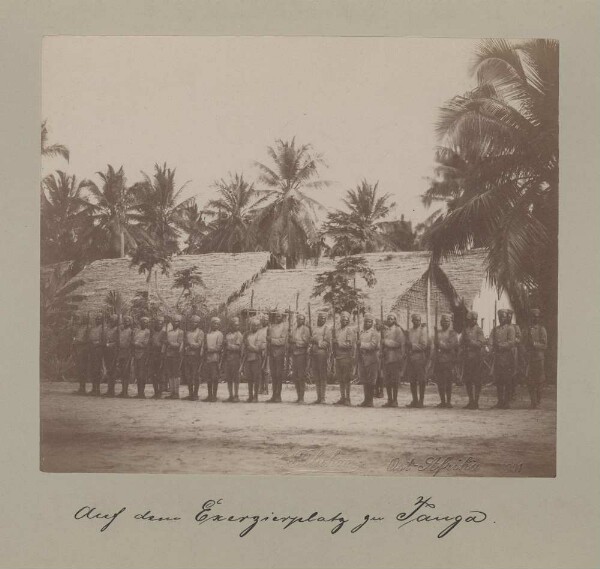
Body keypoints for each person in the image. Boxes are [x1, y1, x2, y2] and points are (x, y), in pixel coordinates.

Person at [490, 309, 516, 409]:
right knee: (499, 380)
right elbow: (491, 340)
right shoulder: (495, 329)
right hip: (497, 358)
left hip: (507, 357)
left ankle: (506, 402)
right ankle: (500, 401)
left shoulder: (510, 329)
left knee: (507, 380)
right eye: (500, 317)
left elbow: (511, 342)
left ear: (506, 318)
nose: (502, 319)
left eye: (504, 317)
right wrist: (491, 347)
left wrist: (500, 346)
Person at [460, 311, 486, 409]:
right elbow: (461, 342)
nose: (473, 321)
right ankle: (471, 401)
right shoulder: (465, 330)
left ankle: (476, 401)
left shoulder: (479, 330)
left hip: (476, 358)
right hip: (467, 358)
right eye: (471, 319)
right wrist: (462, 348)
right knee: (468, 380)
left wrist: (470, 342)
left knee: (477, 380)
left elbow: (480, 343)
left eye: (475, 319)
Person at [406, 314, 432, 408]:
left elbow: (423, 345)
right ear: (412, 321)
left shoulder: (423, 331)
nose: (417, 322)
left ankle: (421, 401)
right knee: (412, 380)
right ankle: (414, 400)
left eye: (418, 320)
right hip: (411, 359)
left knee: (421, 380)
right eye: (415, 320)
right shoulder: (409, 331)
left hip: (420, 358)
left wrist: (411, 345)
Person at [433, 314, 459, 408]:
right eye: (444, 321)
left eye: (448, 321)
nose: (446, 323)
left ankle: (448, 401)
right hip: (439, 361)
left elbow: (450, 346)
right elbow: (434, 346)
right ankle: (442, 401)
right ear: (441, 322)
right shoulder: (438, 333)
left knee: (448, 382)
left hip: (449, 361)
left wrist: (440, 344)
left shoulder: (453, 333)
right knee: (440, 382)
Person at [525, 308, 547, 409]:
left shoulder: (541, 329)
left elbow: (544, 345)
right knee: (530, 380)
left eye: (536, 317)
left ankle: (538, 399)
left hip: (538, 358)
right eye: (533, 317)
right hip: (529, 358)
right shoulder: (527, 329)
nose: (535, 319)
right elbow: (522, 342)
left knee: (539, 381)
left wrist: (534, 344)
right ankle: (533, 401)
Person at [381, 313, 405, 407]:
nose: (389, 320)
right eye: (388, 319)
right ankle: (389, 399)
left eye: (391, 319)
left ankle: (395, 400)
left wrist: (386, 342)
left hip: (395, 358)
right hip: (386, 358)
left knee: (394, 381)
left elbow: (398, 344)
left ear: (395, 320)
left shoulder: (398, 330)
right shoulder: (386, 330)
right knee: (387, 380)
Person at [358, 313, 380, 407]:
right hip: (362, 358)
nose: (367, 323)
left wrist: (361, 344)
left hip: (371, 359)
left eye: (370, 322)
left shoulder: (375, 333)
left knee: (371, 380)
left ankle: (370, 401)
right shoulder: (361, 332)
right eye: (366, 321)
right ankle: (366, 400)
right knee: (365, 380)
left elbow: (373, 345)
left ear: (372, 323)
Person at [333, 311, 355, 406]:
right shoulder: (337, 330)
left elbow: (349, 344)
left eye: (346, 320)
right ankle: (342, 397)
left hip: (346, 357)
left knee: (346, 379)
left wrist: (338, 343)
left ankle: (348, 398)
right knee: (340, 379)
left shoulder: (349, 331)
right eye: (342, 320)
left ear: (348, 321)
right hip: (338, 357)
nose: (344, 322)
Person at [310, 311, 331, 404]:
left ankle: (322, 397)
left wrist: (318, 342)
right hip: (314, 354)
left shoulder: (326, 329)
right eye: (320, 318)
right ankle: (318, 397)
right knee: (316, 375)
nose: (322, 320)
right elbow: (311, 338)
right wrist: (315, 340)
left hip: (322, 354)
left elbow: (326, 343)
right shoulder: (314, 328)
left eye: (324, 318)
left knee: (322, 376)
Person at [290, 313, 311, 403]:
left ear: (304, 320)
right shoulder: (294, 329)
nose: (300, 321)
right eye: (298, 319)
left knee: (301, 376)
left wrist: (296, 342)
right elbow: (291, 340)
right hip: (294, 354)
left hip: (302, 354)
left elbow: (306, 342)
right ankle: (298, 396)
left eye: (302, 319)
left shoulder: (306, 329)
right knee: (295, 376)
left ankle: (302, 397)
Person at [267, 311, 287, 403]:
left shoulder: (284, 327)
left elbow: (282, 341)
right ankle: (273, 395)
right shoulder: (272, 327)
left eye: (279, 316)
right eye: (276, 316)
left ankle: (278, 395)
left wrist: (271, 340)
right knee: (273, 375)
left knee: (279, 375)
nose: (277, 318)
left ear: (282, 317)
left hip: (279, 353)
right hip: (272, 353)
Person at [183, 315, 204, 401]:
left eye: (195, 322)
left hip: (196, 356)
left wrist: (190, 345)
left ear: (198, 323)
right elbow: (184, 343)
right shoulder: (188, 332)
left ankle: (195, 394)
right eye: (192, 321)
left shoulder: (200, 332)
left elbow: (199, 344)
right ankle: (190, 393)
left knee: (195, 375)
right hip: (188, 356)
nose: (193, 323)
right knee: (188, 375)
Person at [163, 314, 184, 399]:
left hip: (176, 355)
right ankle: (172, 392)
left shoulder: (180, 332)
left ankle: (176, 392)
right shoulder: (169, 332)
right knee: (170, 374)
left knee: (176, 374)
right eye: (174, 321)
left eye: (177, 321)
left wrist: (169, 344)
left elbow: (179, 344)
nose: (176, 323)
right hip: (168, 354)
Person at [204, 317, 224, 402]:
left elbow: (219, 347)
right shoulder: (207, 334)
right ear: (211, 324)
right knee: (208, 377)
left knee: (214, 377)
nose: (216, 325)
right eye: (214, 323)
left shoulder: (219, 334)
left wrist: (209, 349)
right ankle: (209, 395)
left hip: (215, 358)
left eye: (217, 324)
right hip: (207, 358)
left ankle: (214, 396)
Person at [224, 317, 243, 402]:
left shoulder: (239, 335)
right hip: (228, 358)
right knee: (229, 378)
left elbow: (238, 348)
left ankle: (236, 395)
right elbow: (225, 346)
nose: (237, 326)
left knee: (236, 378)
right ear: (231, 325)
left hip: (236, 358)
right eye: (235, 325)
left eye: (238, 325)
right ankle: (230, 395)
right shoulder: (227, 335)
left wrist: (229, 346)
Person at [244, 318, 263, 402]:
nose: (254, 327)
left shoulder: (260, 335)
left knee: (256, 378)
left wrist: (249, 346)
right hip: (248, 358)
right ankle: (250, 396)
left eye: (256, 325)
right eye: (253, 325)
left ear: (258, 326)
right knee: (249, 378)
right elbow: (244, 345)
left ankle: (256, 396)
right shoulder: (247, 334)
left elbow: (258, 349)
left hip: (256, 358)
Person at [132, 316, 151, 398]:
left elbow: (145, 344)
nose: (145, 324)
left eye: (146, 322)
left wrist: (136, 344)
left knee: (141, 374)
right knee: (137, 373)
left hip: (143, 354)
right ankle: (138, 392)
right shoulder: (136, 331)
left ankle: (141, 392)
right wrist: (135, 343)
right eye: (143, 322)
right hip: (136, 354)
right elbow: (132, 340)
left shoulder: (148, 332)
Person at [148, 316, 166, 398]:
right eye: (158, 323)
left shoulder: (164, 333)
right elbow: (150, 344)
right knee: (153, 374)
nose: (159, 324)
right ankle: (156, 391)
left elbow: (164, 345)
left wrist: (162, 354)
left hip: (161, 355)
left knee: (160, 374)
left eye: (161, 323)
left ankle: (160, 392)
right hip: (152, 355)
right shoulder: (152, 333)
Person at [116, 315, 133, 398]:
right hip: (121, 352)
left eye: (128, 321)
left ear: (130, 322)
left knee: (126, 372)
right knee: (122, 372)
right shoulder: (121, 331)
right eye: (125, 321)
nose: (126, 322)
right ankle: (123, 390)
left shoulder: (131, 331)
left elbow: (131, 342)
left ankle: (125, 391)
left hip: (127, 353)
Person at [71, 314, 89, 395]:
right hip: (77, 350)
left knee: (83, 369)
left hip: (84, 351)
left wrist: (78, 340)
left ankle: (83, 388)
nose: (80, 320)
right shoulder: (79, 328)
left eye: (82, 318)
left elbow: (88, 340)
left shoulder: (88, 328)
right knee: (79, 369)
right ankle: (81, 388)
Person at [506, 308, 521, 401]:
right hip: (504, 352)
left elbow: (519, 338)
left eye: (510, 316)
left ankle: (513, 392)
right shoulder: (502, 327)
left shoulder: (515, 327)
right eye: (507, 316)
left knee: (513, 371)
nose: (508, 317)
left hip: (513, 351)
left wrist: (513, 340)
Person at [87, 314, 104, 396]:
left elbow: (104, 340)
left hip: (98, 350)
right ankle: (94, 388)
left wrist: (97, 343)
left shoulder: (104, 328)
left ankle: (97, 389)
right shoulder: (92, 328)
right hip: (92, 350)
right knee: (93, 369)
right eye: (97, 319)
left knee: (97, 369)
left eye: (99, 319)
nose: (98, 320)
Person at [103, 314, 120, 397]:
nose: (112, 321)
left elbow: (118, 341)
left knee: (113, 371)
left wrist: (110, 345)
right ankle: (109, 389)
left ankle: (112, 390)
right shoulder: (108, 329)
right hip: (107, 351)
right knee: (109, 370)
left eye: (114, 320)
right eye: (111, 320)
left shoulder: (118, 329)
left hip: (114, 351)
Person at [257, 314, 270, 395]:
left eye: (266, 319)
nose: (265, 321)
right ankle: (261, 388)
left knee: (266, 370)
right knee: (260, 370)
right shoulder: (259, 330)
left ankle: (266, 389)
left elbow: (269, 341)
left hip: (267, 351)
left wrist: (267, 351)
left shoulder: (269, 329)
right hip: (259, 351)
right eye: (263, 319)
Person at [374, 318, 385, 398]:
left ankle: (381, 390)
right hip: (375, 354)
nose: (377, 326)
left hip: (381, 355)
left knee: (380, 374)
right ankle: (376, 390)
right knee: (375, 374)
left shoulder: (383, 334)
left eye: (379, 324)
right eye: (376, 324)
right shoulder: (374, 333)